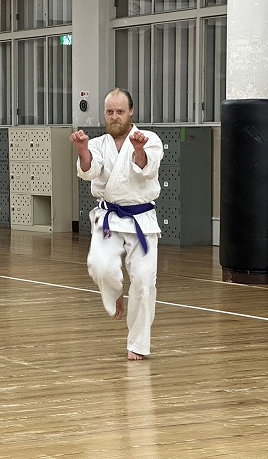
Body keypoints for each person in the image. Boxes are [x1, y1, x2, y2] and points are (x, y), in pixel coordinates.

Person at [70, 88, 164, 360]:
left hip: (141, 220)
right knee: (100, 266)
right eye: (109, 111)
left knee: (144, 282)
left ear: (131, 112)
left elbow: (147, 170)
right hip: (109, 217)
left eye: (120, 111)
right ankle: (115, 294)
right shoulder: (98, 144)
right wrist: (83, 150)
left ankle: (138, 344)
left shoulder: (150, 139)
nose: (114, 116)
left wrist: (139, 150)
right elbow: (89, 171)